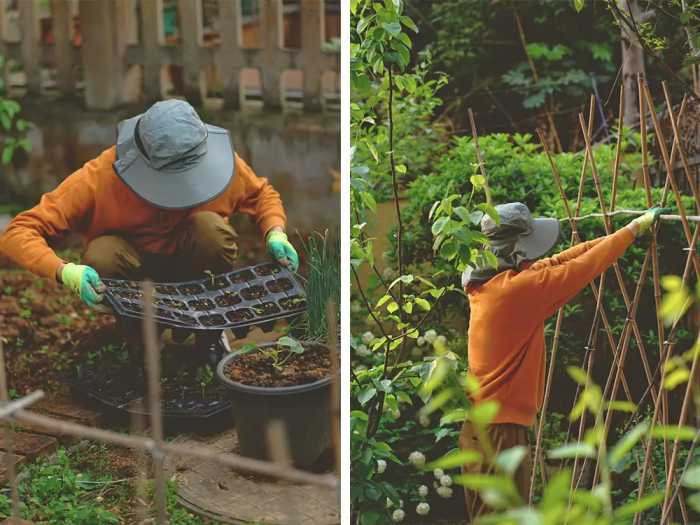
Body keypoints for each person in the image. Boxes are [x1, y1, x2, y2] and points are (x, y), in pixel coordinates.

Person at [0, 99, 298, 365]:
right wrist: (64, 272)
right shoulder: (100, 177)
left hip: (193, 267)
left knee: (211, 229)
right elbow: (18, 231)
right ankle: (140, 338)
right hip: (135, 277)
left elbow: (262, 195)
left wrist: (275, 231)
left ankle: (208, 334)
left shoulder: (218, 161)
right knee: (102, 253)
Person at [458, 201, 668, 520]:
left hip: (480, 424)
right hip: (500, 428)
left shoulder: (493, 287)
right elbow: (581, 269)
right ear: (516, 250)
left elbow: (559, 261)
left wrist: (620, 232)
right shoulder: (520, 291)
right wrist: (633, 230)